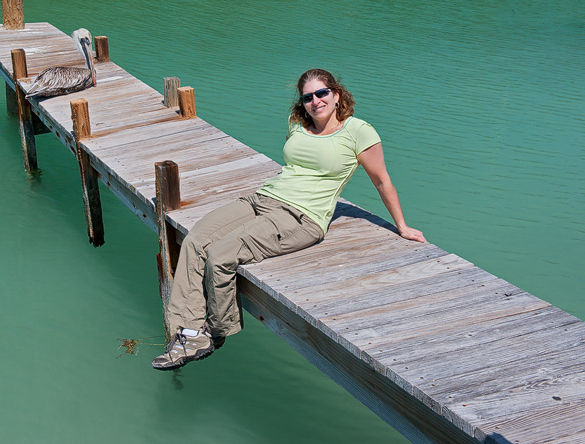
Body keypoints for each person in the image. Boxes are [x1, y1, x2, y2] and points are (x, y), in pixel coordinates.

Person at [151, 68, 426, 371]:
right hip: (261, 198)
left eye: (322, 93)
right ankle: (189, 333)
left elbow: (382, 180)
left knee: (220, 256)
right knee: (194, 241)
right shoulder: (297, 124)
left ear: (336, 95)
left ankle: (217, 331)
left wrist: (402, 226)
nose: (315, 101)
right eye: (308, 97)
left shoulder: (359, 131)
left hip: (301, 217)